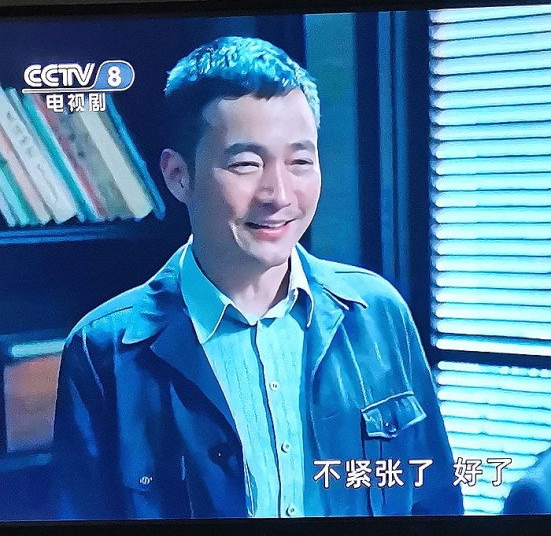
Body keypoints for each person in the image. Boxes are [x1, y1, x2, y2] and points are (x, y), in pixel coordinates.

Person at [53, 36, 463, 520]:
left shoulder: (378, 312)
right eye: (246, 164)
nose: (279, 195)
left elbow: (435, 500)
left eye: (300, 161)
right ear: (179, 175)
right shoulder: (103, 350)